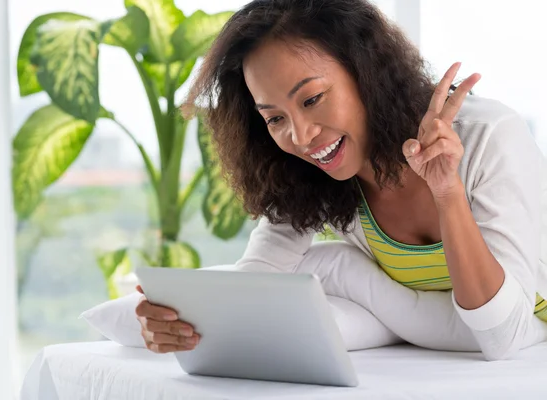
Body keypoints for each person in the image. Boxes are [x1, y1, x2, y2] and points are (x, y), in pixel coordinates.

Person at [135, 0, 547, 360]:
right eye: (275, 118)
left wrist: (447, 192)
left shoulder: (487, 136)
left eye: (312, 99)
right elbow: (258, 280)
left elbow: (502, 335)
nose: (300, 137)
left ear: (366, 70)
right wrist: (180, 324)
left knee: (328, 265)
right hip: (456, 329)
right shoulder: (310, 173)